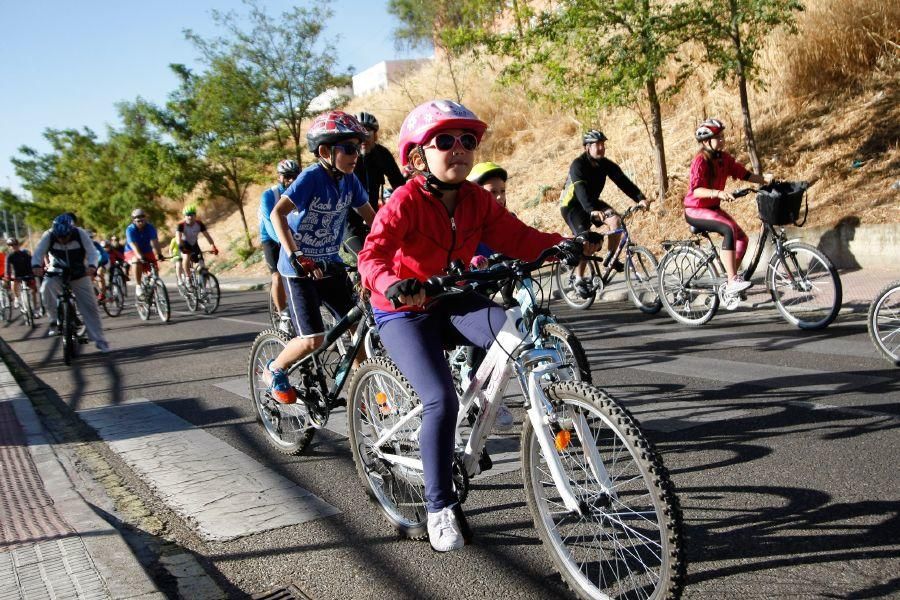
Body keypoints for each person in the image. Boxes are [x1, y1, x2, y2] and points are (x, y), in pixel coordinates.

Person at [357, 100, 600, 552]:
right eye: (444, 141)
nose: (459, 149)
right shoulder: (404, 200)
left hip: (451, 297)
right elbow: (370, 255)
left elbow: (519, 237)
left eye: (467, 140)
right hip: (404, 309)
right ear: (416, 156)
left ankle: (533, 415)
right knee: (439, 400)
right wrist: (394, 283)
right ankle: (438, 506)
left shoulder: (476, 199)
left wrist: (566, 244)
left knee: (515, 332)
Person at [262, 110, 376, 404]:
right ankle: (275, 369)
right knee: (313, 339)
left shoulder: (350, 181)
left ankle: (362, 392)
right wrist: (296, 254)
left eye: (358, 148)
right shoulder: (312, 177)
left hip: (330, 263)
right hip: (299, 268)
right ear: (325, 151)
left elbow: (374, 220)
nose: (356, 155)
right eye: (349, 149)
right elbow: (278, 214)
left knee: (357, 325)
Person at [560, 129, 650, 296]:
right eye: (597, 145)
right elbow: (580, 191)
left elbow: (623, 182)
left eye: (603, 144)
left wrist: (640, 198)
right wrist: (591, 211)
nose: (601, 147)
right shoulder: (578, 165)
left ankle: (611, 257)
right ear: (587, 147)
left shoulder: (605, 164)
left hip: (592, 203)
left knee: (616, 220)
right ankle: (579, 279)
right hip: (573, 207)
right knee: (585, 241)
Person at [684, 118, 770, 295]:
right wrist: (718, 193)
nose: (722, 140)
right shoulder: (700, 161)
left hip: (712, 208)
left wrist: (764, 180)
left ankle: (731, 277)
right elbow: (697, 191)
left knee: (742, 240)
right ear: (707, 141)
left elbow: (743, 173)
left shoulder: (723, 158)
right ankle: (732, 281)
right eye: (719, 137)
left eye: (723, 136)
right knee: (728, 229)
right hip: (696, 210)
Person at [31, 214, 110, 352]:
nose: (63, 240)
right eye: (60, 238)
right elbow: (38, 252)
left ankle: (99, 340)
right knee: (46, 288)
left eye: (66, 237)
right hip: (57, 270)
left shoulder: (80, 234)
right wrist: (36, 265)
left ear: (71, 230)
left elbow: (92, 252)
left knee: (90, 306)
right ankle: (54, 320)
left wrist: (92, 266)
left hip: (79, 271)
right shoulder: (49, 235)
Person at [343, 112, 406, 256]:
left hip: (374, 217)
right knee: (365, 258)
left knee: (393, 255)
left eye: (368, 132)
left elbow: (399, 185)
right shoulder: (346, 158)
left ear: (375, 135)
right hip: (349, 223)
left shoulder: (382, 154)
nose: (363, 138)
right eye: (358, 134)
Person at [259, 160, 300, 333]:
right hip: (271, 238)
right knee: (277, 277)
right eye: (287, 177)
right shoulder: (269, 196)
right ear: (279, 177)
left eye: (294, 176)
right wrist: (287, 244)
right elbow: (270, 224)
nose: (291, 180)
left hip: (294, 236)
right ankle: (283, 314)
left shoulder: (301, 191)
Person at [124, 208, 165, 297]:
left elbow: (155, 242)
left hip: (146, 250)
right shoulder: (130, 230)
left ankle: (152, 292)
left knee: (154, 272)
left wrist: (159, 254)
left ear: (145, 218)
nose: (140, 220)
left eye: (142, 217)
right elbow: (134, 246)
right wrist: (140, 257)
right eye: (137, 218)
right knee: (136, 260)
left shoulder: (150, 227)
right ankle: (138, 286)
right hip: (131, 251)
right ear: (133, 220)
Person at [176, 204, 218, 286]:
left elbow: (207, 236)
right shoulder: (181, 225)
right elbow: (178, 237)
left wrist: (213, 245)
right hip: (184, 244)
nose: (190, 217)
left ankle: (203, 289)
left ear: (195, 215)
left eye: (192, 214)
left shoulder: (199, 224)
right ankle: (188, 277)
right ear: (184, 216)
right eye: (188, 215)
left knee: (203, 267)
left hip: (194, 245)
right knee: (186, 257)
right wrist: (180, 245)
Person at [4, 238, 40, 317]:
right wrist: (7, 276)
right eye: (10, 245)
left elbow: (32, 263)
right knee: (13, 282)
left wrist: (35, 272)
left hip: (27, 274)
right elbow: (7, 267)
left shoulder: (25, 253)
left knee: (34, 290)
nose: (13, 247)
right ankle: (16, 298)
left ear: (18, 245)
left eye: (15, 245)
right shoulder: (9, 256)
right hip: (16, 275)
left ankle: (35, 310)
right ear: (9, 247)